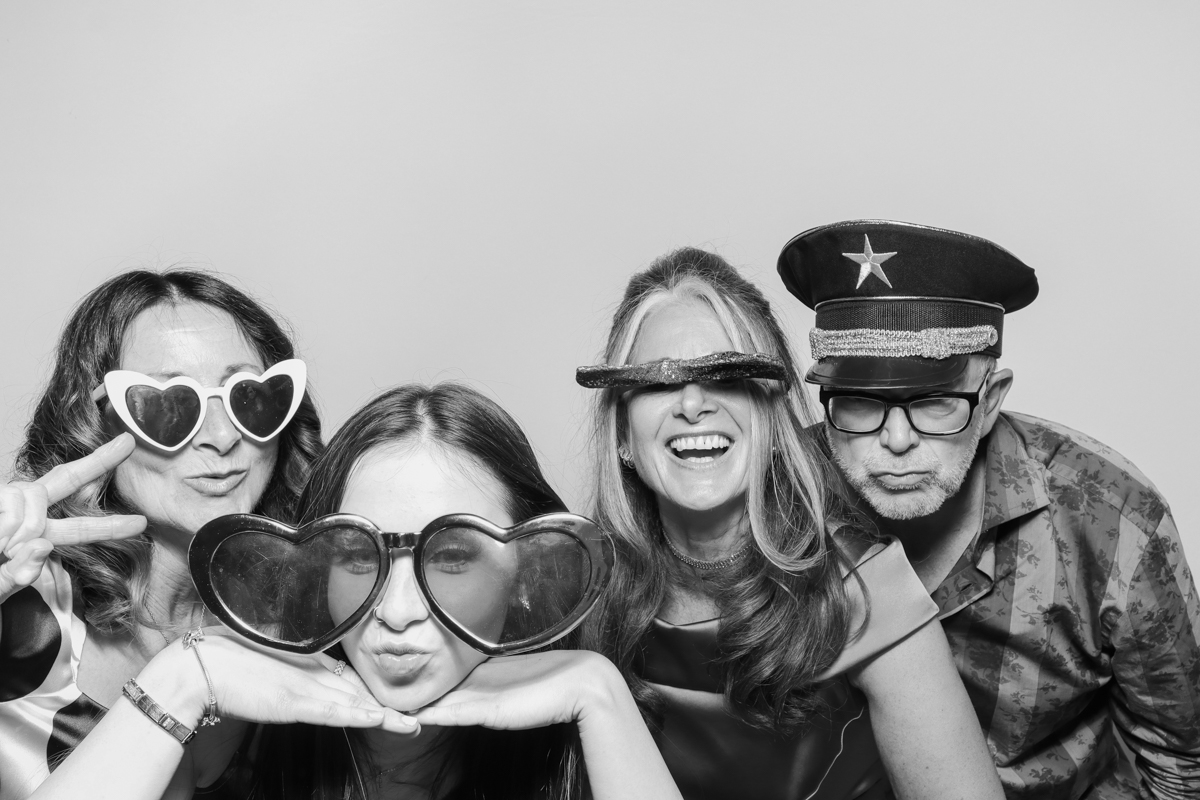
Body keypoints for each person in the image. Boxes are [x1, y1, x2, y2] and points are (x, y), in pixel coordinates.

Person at [777, 219, 1200, 798]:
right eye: (860, 401)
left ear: (992, 399)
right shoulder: (775, 496)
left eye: (934, 403)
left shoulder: (1112, 517)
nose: (897, 440)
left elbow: (1180, 764)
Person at [575, 248, 1005, 800]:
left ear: (773, 413)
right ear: (621, 433)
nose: (690, 404)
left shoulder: (866, 586)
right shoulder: (578, 582)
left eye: (725, 375)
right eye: (659, 383)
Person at [0, 270, 407, 800]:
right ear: (95, 422)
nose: (222, 437)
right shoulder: (18, 605)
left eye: (250, 398)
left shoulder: (322, 619)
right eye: (169, 405)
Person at [213, 382, 682, 800]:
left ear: (526, 572)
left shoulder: (593, 746)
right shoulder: (239, 733)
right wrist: (179, 682)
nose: (396, 612)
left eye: (452, 559)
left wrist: (599, 693)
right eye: (358, 557)